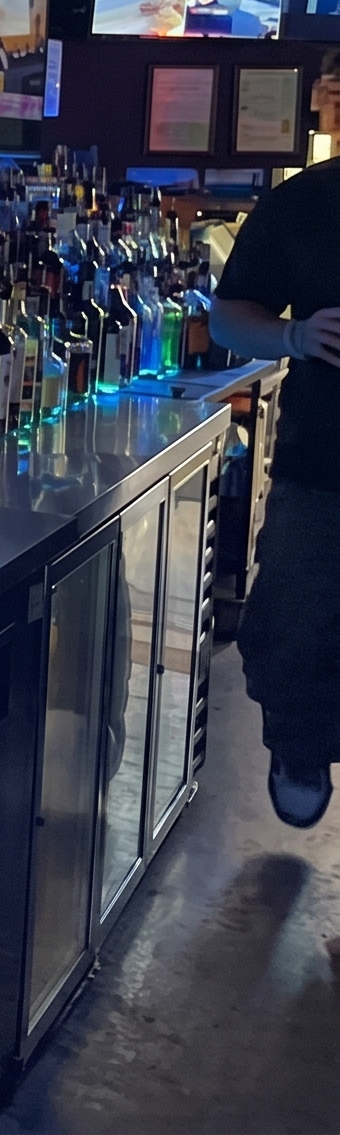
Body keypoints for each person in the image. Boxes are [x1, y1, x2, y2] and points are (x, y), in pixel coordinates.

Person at [209, 167, 340, 826]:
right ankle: (299, 746)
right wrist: (294, 336)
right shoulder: (308, 201)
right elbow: (228, 316)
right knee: (293, 628)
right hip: (321, 467)